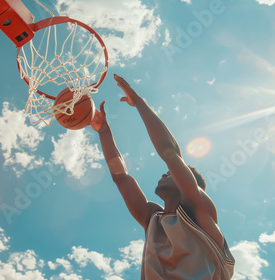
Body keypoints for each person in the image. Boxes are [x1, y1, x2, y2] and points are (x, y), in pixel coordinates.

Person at [90, 74, 235, 279]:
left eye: (171, 173)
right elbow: (121, 177)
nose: (165, 172)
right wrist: (104, 131)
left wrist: (140, 103)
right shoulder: (153, 220)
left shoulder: (199, 210)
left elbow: (171, 154)